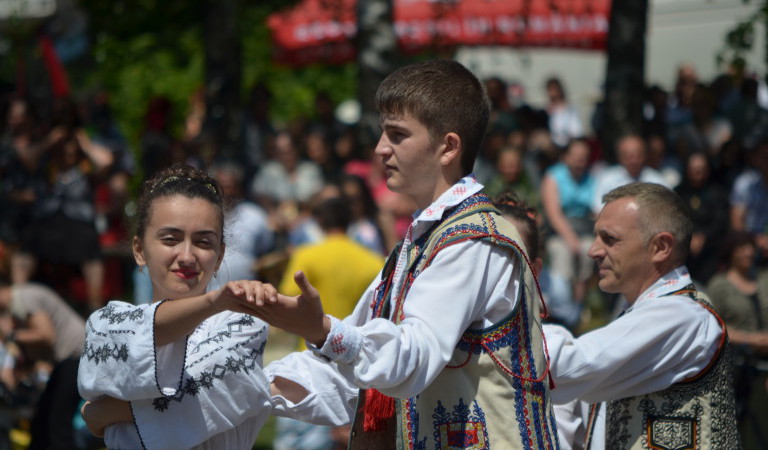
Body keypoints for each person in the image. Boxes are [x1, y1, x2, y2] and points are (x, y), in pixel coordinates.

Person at [259, 59, 559, 448]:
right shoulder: (418, 244)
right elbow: (346, 373)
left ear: (448, 147)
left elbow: (412, 356)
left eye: (397, 135)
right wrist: (240, 383)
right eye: (384, 133)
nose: (381, 149)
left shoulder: (473, 241)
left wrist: (323, 330)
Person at [77, 164, 274, 449]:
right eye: (170, 239)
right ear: (139, 250)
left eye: (203, 242)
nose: (187, 256)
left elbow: (201, 403)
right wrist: (212, 301)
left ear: (219, 257)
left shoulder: (241, 325)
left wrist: (101, 412)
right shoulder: (108, 323)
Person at [545, 182, 741, 449]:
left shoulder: (682, 315)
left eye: (610, 239)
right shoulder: (643, 316)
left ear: (661, 246)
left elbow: (568, 366)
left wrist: (498, 318)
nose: (593, 251)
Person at [274, 197, 384, 450]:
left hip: (310, 365)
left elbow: (288, 302)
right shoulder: (373, 262)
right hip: (354, 369)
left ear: (320, 222)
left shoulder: (307, 255)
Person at [0, 281, 86, 450]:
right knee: (42, 421)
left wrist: (10, 335)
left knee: (56, 424)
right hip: (67, 360)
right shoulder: (19, 303)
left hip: (77, 356)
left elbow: (46, 335)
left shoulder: (25, 298)